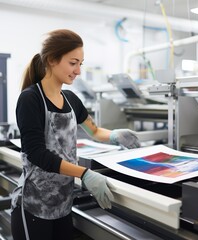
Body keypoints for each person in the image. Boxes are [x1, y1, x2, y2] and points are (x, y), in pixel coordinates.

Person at [11, 29, 140, 240]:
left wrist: (115, 135)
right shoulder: (31, 99)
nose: (78, 71)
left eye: (81, 63)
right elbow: (36, 154)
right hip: (34, 207)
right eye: (73, 63)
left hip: (63, 205)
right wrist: (84, 173)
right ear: (52, 60)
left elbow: (95, 131)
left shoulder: (71, 99)